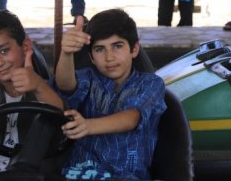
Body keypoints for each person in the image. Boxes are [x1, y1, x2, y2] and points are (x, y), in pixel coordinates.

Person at [55, 9, 166, 180]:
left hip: (125, 176)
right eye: (100, 49)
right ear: (91, 57)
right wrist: (67, 53)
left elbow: (131, 118)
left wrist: (87, 126)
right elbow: (65, 84)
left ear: (134, 49)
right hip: (78, 173)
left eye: (117, 46)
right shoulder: (89, 79)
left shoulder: (150, 83)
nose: (109, 57)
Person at [0, 9, 63, 174]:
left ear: (25, 47)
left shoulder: (48, 89)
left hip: (31, 173)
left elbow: (62, 118)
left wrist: (38, 86)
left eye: (4, 51)